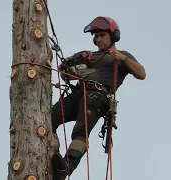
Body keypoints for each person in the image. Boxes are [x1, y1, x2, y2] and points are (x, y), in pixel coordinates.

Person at [51, 16, 146, 180]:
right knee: (49, 117)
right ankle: (48, 153)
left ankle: (65, 168)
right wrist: (72, 62)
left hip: (97, 96)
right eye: (96, 36)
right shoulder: (91, 57)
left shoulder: (121, 56)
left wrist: (123, 58)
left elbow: (141, 73)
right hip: (78, 93)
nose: (98, 39)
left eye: (102, 35)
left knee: (80, 131)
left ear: (113, 35)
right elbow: (63, 69)